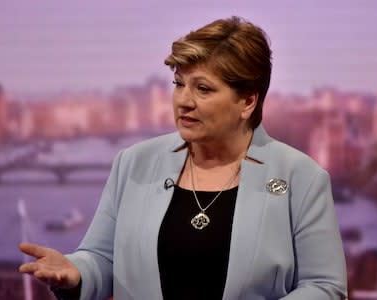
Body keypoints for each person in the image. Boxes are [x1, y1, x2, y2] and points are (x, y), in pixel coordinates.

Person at [19, 16, 347, 300]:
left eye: (203, 89)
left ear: (247, 102)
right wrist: (77, 272)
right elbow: (102, 257)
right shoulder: (133, 163)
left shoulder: (300, 177)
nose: (183, 101)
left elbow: (324, 286)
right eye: (179, 84)